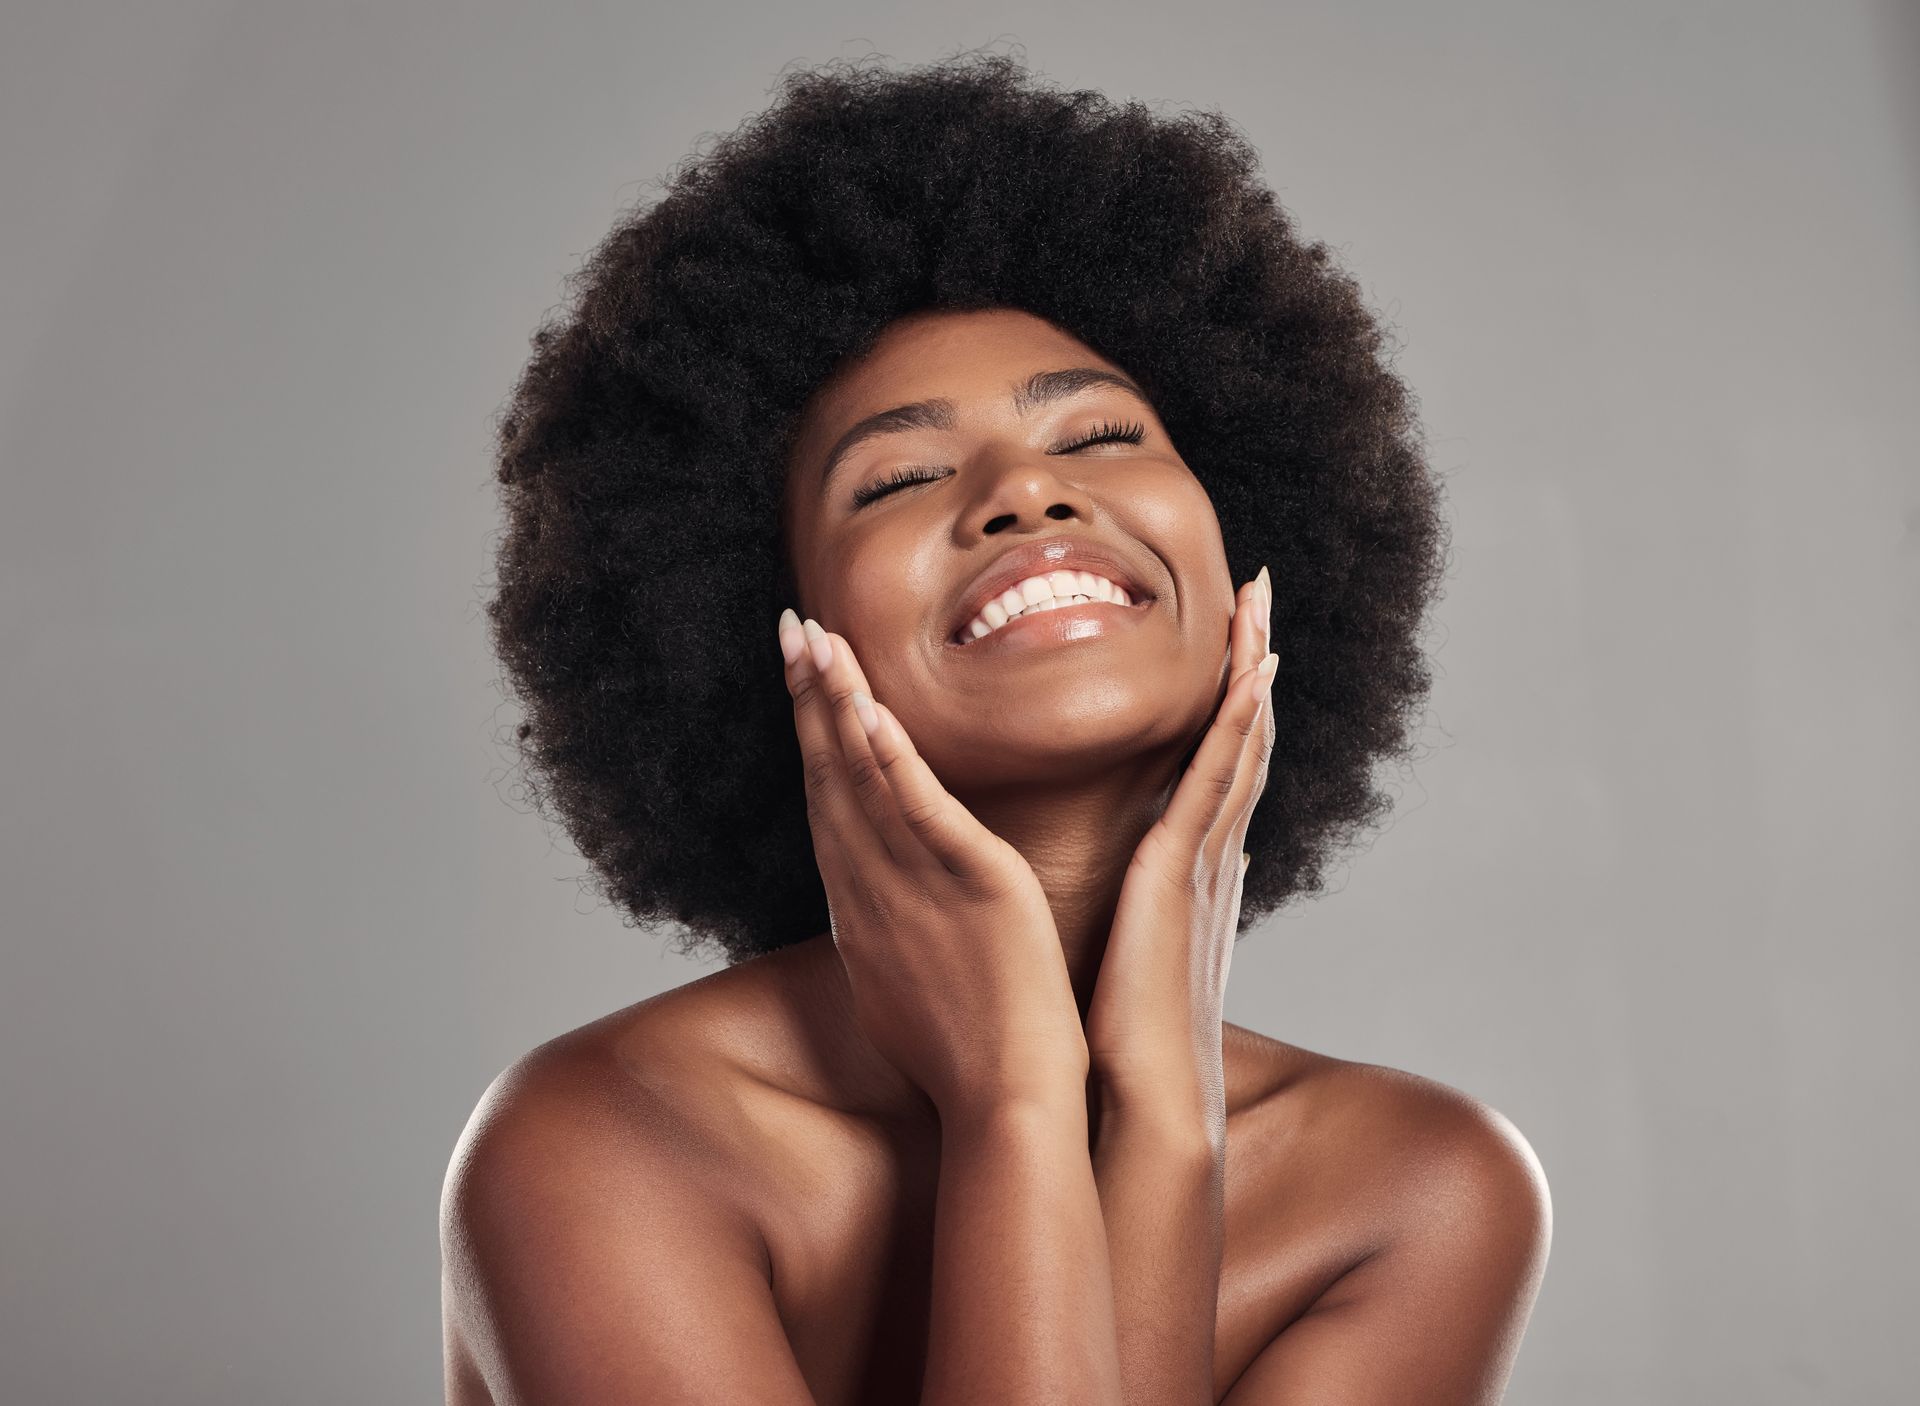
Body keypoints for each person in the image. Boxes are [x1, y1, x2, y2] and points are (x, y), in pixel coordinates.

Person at [441, 50, 1551, 1405]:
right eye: (899, 476)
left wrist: (1161, 1117)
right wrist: (1023, 1099)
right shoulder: (607, 1144)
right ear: (762, 629)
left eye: (1100, 436)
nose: (1027, 489)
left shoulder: (1416, 1193)